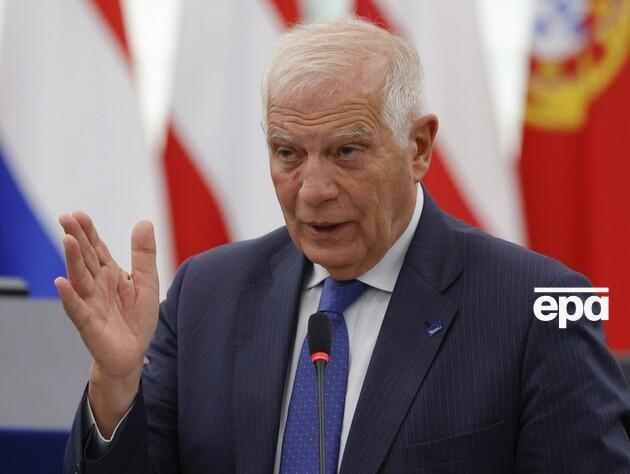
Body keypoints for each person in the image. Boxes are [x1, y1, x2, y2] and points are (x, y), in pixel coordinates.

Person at [58, 18, 630, 474]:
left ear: (418, 147)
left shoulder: (538, 306)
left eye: (346, 152)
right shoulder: (205, 293)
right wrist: (117, 382)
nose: (313, 190)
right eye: (288, 153)